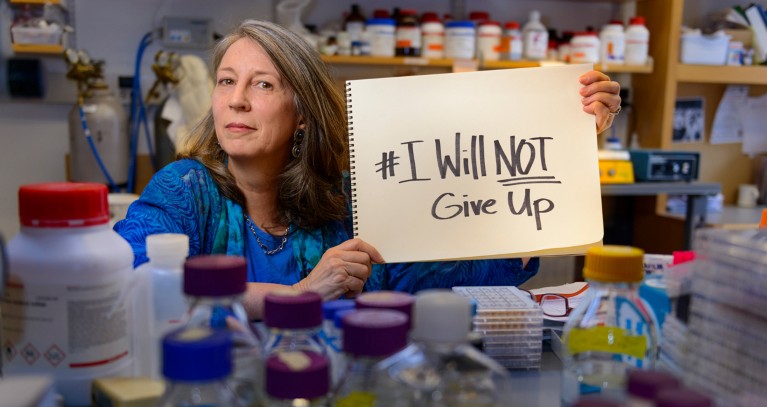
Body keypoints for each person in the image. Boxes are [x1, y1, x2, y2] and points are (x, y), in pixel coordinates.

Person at [115, 19, 622, 321]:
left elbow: (447, 278)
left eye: (263, 85)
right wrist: (297, 295)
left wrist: (563, 144)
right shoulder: (185, 191)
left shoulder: (348, 203)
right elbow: (128, 276)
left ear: (303, 115)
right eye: (227, 82)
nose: (238, 101)